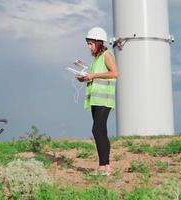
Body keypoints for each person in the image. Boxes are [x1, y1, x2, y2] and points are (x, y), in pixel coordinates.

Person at [77, 27, 118, 175]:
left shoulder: (107, 54)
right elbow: (95, 77)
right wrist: (85, 78)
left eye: (90, 43)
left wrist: (93, 75)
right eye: (88, 43)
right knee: (101, 131)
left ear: (99, 42)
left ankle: (102, 167)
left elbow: (115, 73)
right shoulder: (96, 59)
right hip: (96, 100)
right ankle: (106, 167)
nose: (89, 46)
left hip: (104, 99)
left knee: (97, 130)